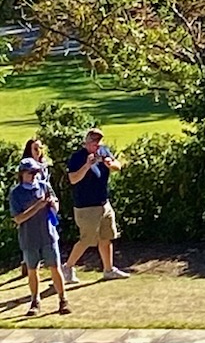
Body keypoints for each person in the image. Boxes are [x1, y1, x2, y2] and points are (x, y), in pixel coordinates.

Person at [64, 127, 129, 282]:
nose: (97, 144)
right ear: (86, 143)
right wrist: (87, 165)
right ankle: (67, 268)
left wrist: (110, 164)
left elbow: (118, 166)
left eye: (99, 141)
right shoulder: (78, 157)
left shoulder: (104, 151)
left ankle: (108, 270)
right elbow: (73, 179)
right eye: (94, 141)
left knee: (106, 237)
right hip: (86, 207)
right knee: (86, 239)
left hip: (103, 203)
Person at [10, 155, 69, 316]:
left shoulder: (44, 186)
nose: (34, 175)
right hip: (29, 238)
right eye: (30, 172)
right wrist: (38, 206)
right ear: (22, 173)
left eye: (36, 171)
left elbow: (56, 207)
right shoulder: (16, 193)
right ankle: (35, 301)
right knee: (32, 270)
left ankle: (63, 300)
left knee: (55, 268)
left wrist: (52, 205)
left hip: (48, 235)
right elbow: (18, 218)